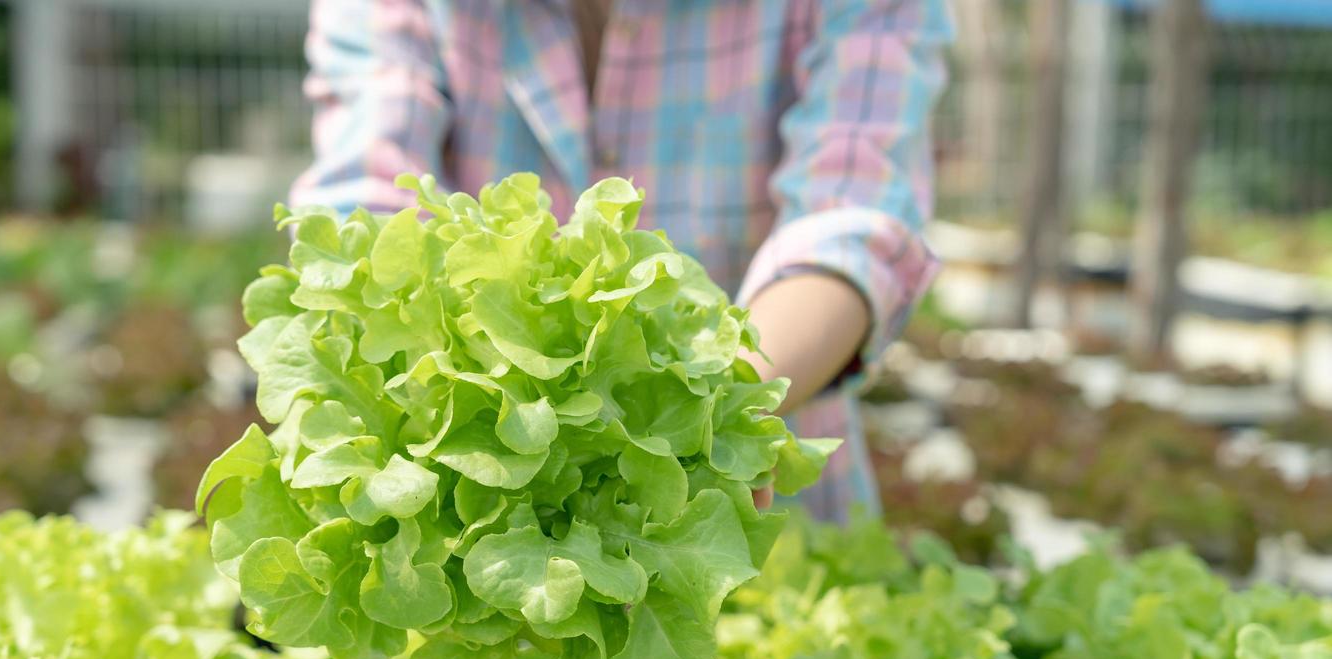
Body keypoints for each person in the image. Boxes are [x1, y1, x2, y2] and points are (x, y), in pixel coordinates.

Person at [293, 0, 950, 521]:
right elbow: (368, 211)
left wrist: (711, 411)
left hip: (761, 498)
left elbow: (849, 215)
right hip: (472, 512)